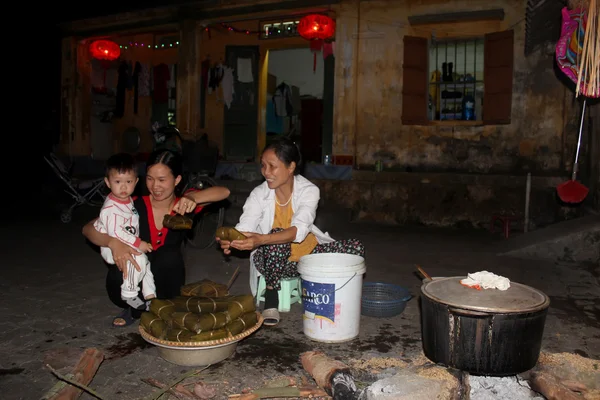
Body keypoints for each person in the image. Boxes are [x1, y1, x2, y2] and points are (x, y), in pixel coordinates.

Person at [217, 137, 364, 326]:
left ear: (291, 167)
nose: (266, 172)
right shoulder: (259, 194)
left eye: (272, 166)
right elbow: (245, 226)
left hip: (306, 259)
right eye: (263, 166)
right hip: (271, 260)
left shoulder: (309, 191)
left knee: (355, 248)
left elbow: (299, 230)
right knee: (276, 238)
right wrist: (231, 239)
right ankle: (271, 298)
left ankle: (338, 290)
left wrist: (261, 239)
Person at [83, 149, 230, 327]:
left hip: (167, 280)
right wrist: (112, 243)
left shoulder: (184, 206)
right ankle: (133, 307)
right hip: (134, 278)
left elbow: (224, 192)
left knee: (168, 256)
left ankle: (160, 305)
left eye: (162, 180)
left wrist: (193, 197)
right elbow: (88, 229)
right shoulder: (132, 205)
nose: (155, 186)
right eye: (150, 178)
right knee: (125, 259)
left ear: (177, 180)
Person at [94, 153, 155, 311]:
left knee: (146, 264)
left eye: (128, 182)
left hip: (125, 242)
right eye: (117, 182)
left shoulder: (127, 200)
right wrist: (138, 243)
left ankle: (150, 296)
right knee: (139, 259)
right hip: (112, 247)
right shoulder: (110, 208)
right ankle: (129, 293)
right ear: (108, 182)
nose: (123, 187)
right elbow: (115, 232)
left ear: (136, 181)